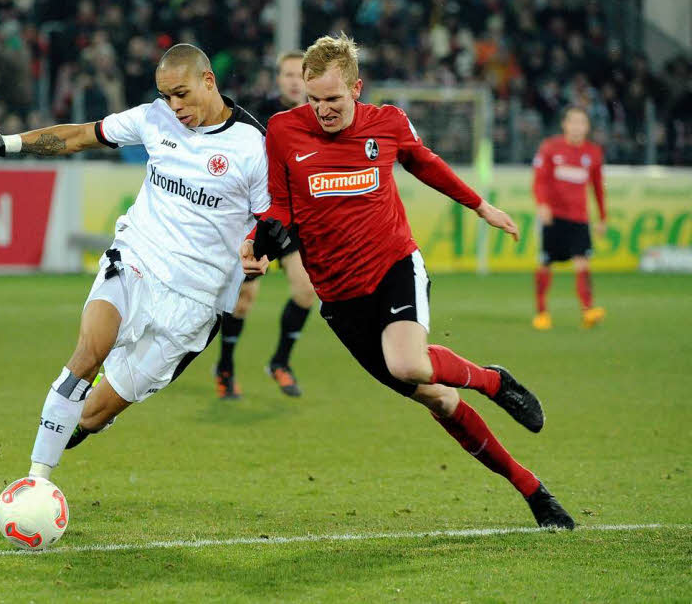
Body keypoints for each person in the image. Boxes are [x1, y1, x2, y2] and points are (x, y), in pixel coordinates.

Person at [242, 34, 574, 529]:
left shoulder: (388, 123)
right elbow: (281, 206)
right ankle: (532, 489)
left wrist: (479, 205)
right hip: (338, 295)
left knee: (407, 363)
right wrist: (260, 244)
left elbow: (424, 162)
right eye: (313, 100)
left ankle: (492, 381)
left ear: (357, 87)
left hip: (394, 266)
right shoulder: (284, 131)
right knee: (437, 397)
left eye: (332, 99)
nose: (322, 111)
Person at [0, 44, 275, 481]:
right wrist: (2, 143)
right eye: (166, 96)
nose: (174, 107)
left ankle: (72, 431)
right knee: (88, 353)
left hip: (198, 299)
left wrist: (257, 249)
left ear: (208, 81)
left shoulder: (252, 146)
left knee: (92, 416)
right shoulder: (153, 119)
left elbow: (269, 218)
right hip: (138, 259)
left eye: (181, 94)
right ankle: (34, 484)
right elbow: (79, 135)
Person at [215, 50, 317, 399]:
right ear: (278, 79)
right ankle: (225, 367)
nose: (293, 81)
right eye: (287, 74)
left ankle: (280, 362)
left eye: (298, 75)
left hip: (298, 218)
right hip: (263, 214)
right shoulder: (259, 114)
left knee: (306, 292)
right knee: (244, 300)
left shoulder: (321, 116)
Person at [531, 106, 607, 330]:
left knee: (583, 262)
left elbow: (598, 187)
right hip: (553, 217)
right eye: (573, 122)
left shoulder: (593, 152)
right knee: (545, 263)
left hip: (579, 218)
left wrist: (602, 217)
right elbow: (540, 180)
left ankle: (588, 310)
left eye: (581, 122)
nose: (577, 127)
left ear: (587, 127)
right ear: (564, 124)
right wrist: (542, 204)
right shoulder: (550, 147)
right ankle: (542, 312)